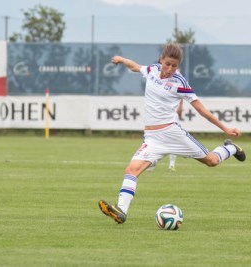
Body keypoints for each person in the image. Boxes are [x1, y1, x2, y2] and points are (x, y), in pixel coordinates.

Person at [99, 43, 246, 224]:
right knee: (131, 170)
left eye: (174, 66)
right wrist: (121, 60)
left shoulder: (180, 82)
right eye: (167, 64)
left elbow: (201, 110)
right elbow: (135, 66)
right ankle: (121, 211)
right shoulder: (152, 70)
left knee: (212, 161)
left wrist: (225, 128)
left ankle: (230, 148)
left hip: (172, 133)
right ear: (161, 60)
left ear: (178, 66)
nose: (170, 69)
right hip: (152, 139)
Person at [168, 99, 183, 171]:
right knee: (173, 143)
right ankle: (171, 164)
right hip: (171, 121)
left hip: (163, 122)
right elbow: (179, 112)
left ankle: (153, 163)